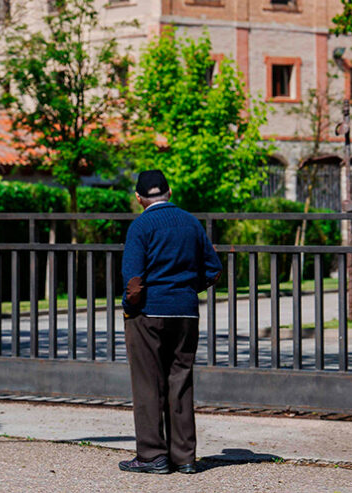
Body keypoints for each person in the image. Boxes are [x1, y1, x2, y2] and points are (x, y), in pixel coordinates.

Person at [118, 169, 222, 475]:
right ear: (170, 192)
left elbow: (134, 283)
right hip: (186, 313)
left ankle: (152, 456)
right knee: (181, 380)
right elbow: (214, 270)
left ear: (139, 198)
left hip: (149, 313)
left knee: (149, 383)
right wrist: (188, 289)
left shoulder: (141, 226)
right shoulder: (192, 223)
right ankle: (185, 458)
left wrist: (128, 308)